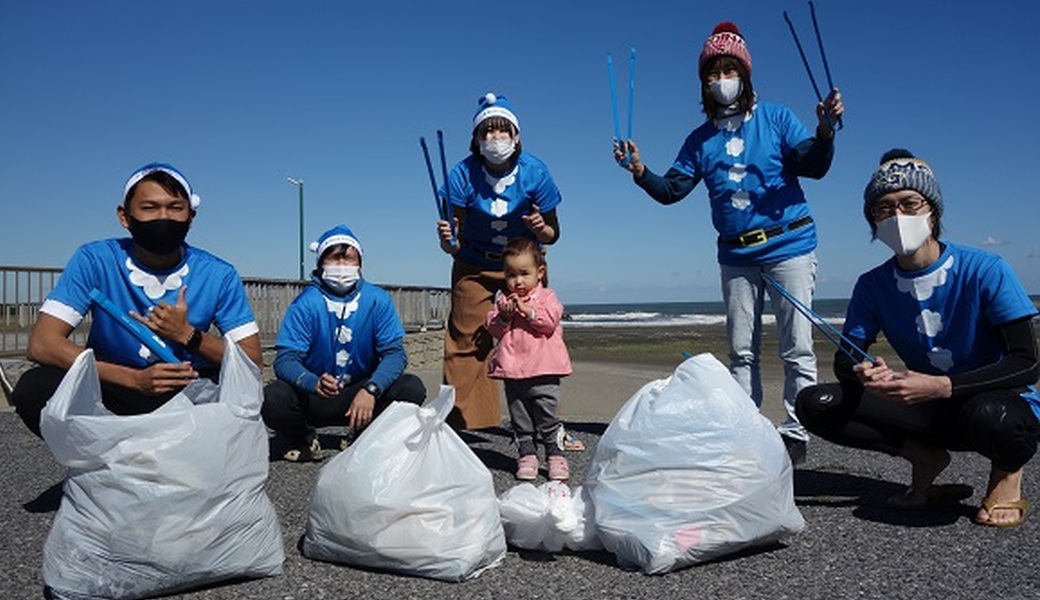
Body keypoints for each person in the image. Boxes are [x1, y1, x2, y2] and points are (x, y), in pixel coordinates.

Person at [612, 22, 844, 464]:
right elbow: (672, 190)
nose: (721, 80)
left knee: (796, 347)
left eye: (729, 70)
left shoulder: (776, 118)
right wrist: (641, 172)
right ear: (704, 82)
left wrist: (826, 132)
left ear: (746, 74)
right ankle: (745, 430)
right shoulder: (699, 140)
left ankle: (796, 434)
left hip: (790, 246)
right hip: (735, 255)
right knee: (741, 351)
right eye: (713, 73)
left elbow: (812, 165)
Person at [796, 149, 1039, 528]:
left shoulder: (986, 269)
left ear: (933, 211)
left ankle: (1007, 474)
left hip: (996, 407)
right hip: (930, 408)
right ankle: (925, 456)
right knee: (815, 403)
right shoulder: (871, 285)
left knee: (992, 414)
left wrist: (942, 386)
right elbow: (846, 359)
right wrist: (868, 372)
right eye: (884, 208)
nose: (898, 216)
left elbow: (1026, 362)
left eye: (910, 203)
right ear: (872, 220)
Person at [12, 162, 263, 436]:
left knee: (238, 400)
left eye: (175, 208)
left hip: (188, 388)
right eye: (149, 207)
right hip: (113, 381)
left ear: (191, 217)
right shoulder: (94, 259)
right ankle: (105, 462)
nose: (163, 217)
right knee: (35, 387)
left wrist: (189, 335)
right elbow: (42, 344)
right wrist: (133, 379)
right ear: (124, 216)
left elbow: (252, 361)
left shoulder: (219, 274)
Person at [436, 92, 563, 431]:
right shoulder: (461, 174)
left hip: (521, 268)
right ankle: (464, 427)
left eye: (503, 130)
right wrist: (448, 240)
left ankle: (545, 425)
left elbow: (554, 234)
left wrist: (542, 228)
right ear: (476, 140)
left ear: (516, 136)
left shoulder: (536, 172)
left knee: (535, 336)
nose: (495, 138)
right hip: (473, 264)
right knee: (466, 342)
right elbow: (453, 243)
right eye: (487, 132)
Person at [262, 224, 426, 461]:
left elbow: (395, 353)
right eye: (334, 257)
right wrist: (311, 381)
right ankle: (304, 439)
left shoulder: (377, 299)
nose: (341, 264)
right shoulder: (305, 303)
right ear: (320, 264)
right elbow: (285, 360)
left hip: (359, 392)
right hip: (314, 392)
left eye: (349, 257)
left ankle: (362, 436)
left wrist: (372, 389)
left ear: (360, 263)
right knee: (273, 396)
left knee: (411, 387)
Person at [485, 237, 573, 480]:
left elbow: (548, 322)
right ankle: (527, 456)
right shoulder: (503, 300)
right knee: (520, 418)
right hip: (513, 371)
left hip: (544, 370)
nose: (518, 281)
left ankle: (556, 455)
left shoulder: (547, 297)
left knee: (548, 417)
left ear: (540, 272)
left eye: (524, 273)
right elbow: (493, 329)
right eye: (511, 274)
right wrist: (503, 317)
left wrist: (527, 311)